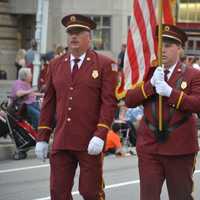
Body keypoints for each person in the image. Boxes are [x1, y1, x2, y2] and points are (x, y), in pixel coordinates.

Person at [35, 14, 117, 200]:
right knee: (58, 193)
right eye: (70, 32)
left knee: (90, 193)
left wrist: (101, 134)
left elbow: (109, 103)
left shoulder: (104, 64)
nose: (73, 36)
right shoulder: (55, 65)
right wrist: (42, 137)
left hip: (89, 140)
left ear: (89, 36)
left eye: (78, 32)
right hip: (62, 139)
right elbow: (48, 104)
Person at [125, 24, 200, 200]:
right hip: (150, 145)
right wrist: (150, 86)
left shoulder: (192, 75)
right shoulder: (148, 72)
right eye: (160, 45)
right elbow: (129, 100)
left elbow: (197, 104)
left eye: (168, 46)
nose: (163, 50)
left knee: (180, 196)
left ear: (179, 48)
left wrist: (170, 93)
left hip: (180, 146)